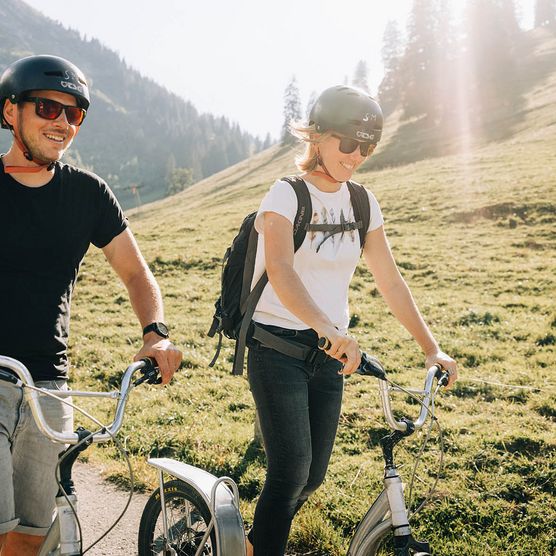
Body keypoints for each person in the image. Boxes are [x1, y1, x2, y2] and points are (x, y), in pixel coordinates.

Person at [244, 85, 458, 556]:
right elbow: (279, 270)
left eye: (368, 146)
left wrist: (431, 347)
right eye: (349, 143)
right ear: (318, 136)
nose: (357, 155)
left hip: (328, 356)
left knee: (314, 475)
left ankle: (252, 545)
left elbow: (391, 281)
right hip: (276, 347)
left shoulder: (362, 202)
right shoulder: (285, 195)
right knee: (290, 472)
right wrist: (331, 330)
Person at [0, 55, 182, 556]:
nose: (60, 122)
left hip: (50, 387)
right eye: (46, 108)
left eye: (73, 113)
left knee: (32, 536)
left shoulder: (88, 194)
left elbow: (134, 271)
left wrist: (155, 332)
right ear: (10, 111)